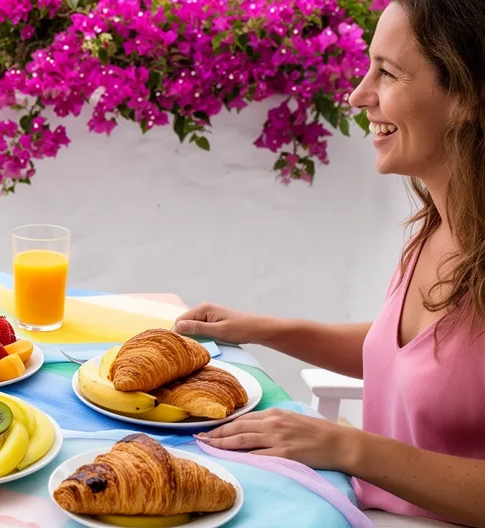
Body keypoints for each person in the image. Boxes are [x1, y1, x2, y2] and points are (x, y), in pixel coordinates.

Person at [174, 1, 485, 525]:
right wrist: (267, 329)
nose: (359, 94)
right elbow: (433, 365)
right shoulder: (436, 228)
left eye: (387, 73)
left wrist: (349, 448)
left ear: (468, 96)